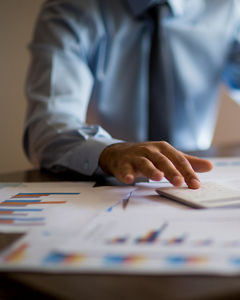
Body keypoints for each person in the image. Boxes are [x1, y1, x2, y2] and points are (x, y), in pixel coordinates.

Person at [24, 0, 240, 189]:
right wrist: (109, 152)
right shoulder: (71, 9)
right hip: (113, 184)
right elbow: (47, 128)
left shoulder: (228, 7)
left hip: (195, 182)